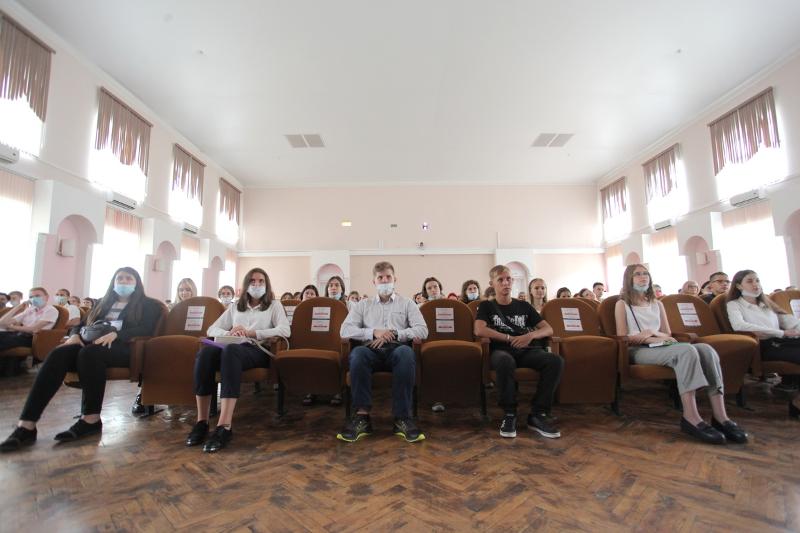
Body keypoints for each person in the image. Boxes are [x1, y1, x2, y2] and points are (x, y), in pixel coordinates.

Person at [0, 268, 162, 452]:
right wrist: (74, 335)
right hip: (91, 345)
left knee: (89, 353)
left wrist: (118, 334)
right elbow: (82, 324)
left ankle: (91, 419)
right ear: (113, 282)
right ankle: (26, 424)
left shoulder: (148, 304)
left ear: (137, 282)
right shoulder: (102, 303)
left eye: (128, 279)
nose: (123, 282)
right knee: (59, 353)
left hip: (124, 348)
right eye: (120, 278)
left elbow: (147, 329)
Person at [614, 264, 746, 444]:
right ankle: (691, 417)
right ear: (629, 279)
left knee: (707, 350)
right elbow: (623, 336)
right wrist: (647, 337)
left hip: (660, 344)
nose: (643, 277)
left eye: (645, 274)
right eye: (637, 274)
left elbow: (667, 333)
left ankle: (721, 416)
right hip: (637, 350)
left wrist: (651, 333)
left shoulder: (657, 304)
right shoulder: (622, 304)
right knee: (686, 350)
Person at [185, 268, 290, 453]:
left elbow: (284, 330)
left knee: (231, 351)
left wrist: (252, 333)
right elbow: (212, 329)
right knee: (206, 354)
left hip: (257, 350)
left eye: (261, 281)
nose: (256, 284)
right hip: (232, 345)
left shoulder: (274, 305)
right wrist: (231, 332)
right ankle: (202, 422)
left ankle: (224, 426)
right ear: (246, 284)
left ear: (266, 284)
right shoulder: (235, 306)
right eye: (253, 281)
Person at [338, 261, 428, 443]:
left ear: (395, 279)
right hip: (370, 349)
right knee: (358, 354)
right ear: (374, 281)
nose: (385, 280)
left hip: (397, 349)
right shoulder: (363, 305)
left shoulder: (407, 303)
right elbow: (345, 330)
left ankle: (402, 418)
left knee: (406, 353)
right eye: (380, 278)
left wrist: (395, 333)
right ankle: (362, 417)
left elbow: (423, 330)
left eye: (388, 277)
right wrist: (374, 332)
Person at [475, 265, 563, 439]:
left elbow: (548, 329)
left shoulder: (524, 306)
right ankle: (509, 413)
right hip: (501, 350)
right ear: (492, 284)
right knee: (505, 361)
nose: (505, 283)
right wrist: (508, 338)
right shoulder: (486, 306)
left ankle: (538, 414)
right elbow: (479, 329)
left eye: (508, 279)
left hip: (526, 350)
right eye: (500, 280)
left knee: (555, 361)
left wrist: (530, 336)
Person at [726, 269, 800, 397]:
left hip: (781, 341)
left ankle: (789, 384)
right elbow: (739, 325)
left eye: (757, 280)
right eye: (750, 281)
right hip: (763, 346)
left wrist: (792, 330)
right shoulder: (734, 304)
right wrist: (781, 333)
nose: (755, 284)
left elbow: (788, 321)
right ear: (738, 286)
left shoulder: (766, 302)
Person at [0, 287, 59, 376]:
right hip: (20, 334)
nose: (34, 298)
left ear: (46, 297)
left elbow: (33, 329)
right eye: (31, 297)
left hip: (34, 338)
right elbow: (2, 323)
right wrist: (18, 307)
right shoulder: (30, 309)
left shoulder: (51, 310)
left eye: (37, 296)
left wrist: (12, 327)